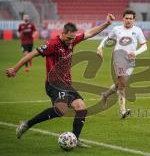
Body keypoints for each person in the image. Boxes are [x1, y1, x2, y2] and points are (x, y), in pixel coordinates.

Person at [6, 14, 115, 146]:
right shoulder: (52, 44)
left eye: (73, 38)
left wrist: (107, 24)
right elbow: (32, 54)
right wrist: (15, 68)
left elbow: (90, 33)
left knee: (81, 108)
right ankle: (27, 124)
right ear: (62, 33)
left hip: (66, 83)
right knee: (61, 110)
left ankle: (74, 138)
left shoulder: (72, 40)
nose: (71, 41)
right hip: (54, 83)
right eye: (69, 38)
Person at [97, 10, 147, 119]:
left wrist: (136, 53)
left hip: (130, 60)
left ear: (134, 20)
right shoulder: (117, 29)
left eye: (130, 19)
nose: (128, 20)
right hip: (118, 58)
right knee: (123, 83)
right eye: (126, 18)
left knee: (120, 84)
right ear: (123, 19)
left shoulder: (137, 31)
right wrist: (100, 47)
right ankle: (123, 110)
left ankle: (105, 95)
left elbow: (144, 46)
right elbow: (107, 38)